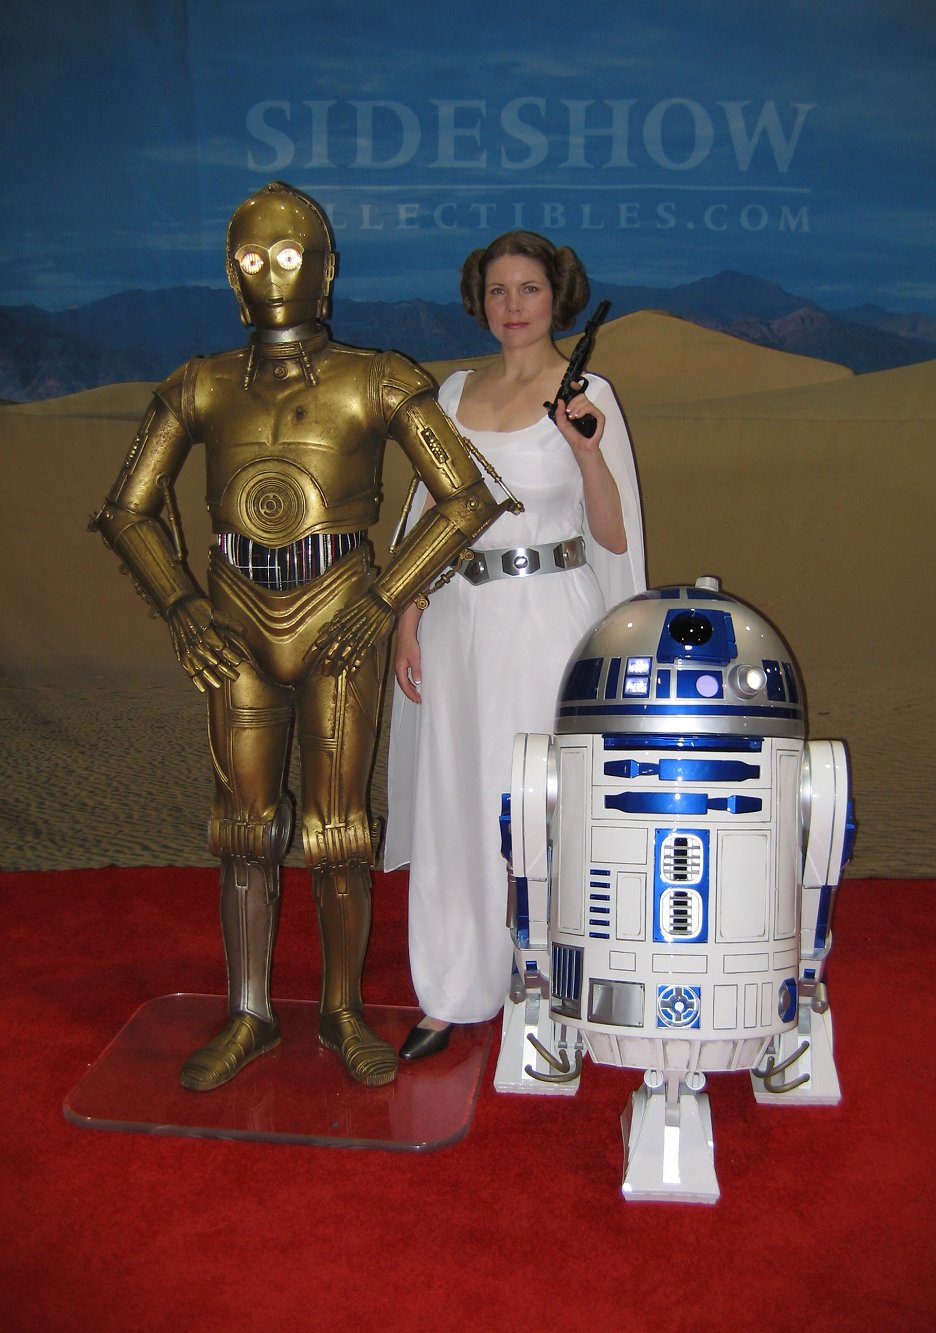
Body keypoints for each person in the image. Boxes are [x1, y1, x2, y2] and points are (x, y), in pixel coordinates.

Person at [91, 181, 510, 1091]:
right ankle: (248, 1012)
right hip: (234, 616)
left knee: (338, 831)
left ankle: (342, 1009)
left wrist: (384, 597)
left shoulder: (378, 378)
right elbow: (127, 509)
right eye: (252, 259)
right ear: (230, 274)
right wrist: (184, 608)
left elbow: (465, 498)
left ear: (324, 270)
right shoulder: (199, 384)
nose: (271, 276)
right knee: (243, 826)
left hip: (340, 615)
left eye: (288, 257)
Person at [385, 231, 646, 1060]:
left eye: (529, 288)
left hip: (549, 619)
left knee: (541, 803)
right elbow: (426, 516)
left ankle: (559, 988)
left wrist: (585, 450)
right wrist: (408, 616)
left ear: (557, 296)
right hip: (458, 618)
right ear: (479, 301)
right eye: (497, 290)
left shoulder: (588, 393)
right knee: (456, 798)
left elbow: (613, 533)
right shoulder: (453, 392)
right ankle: (452, 986)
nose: (513, 306)